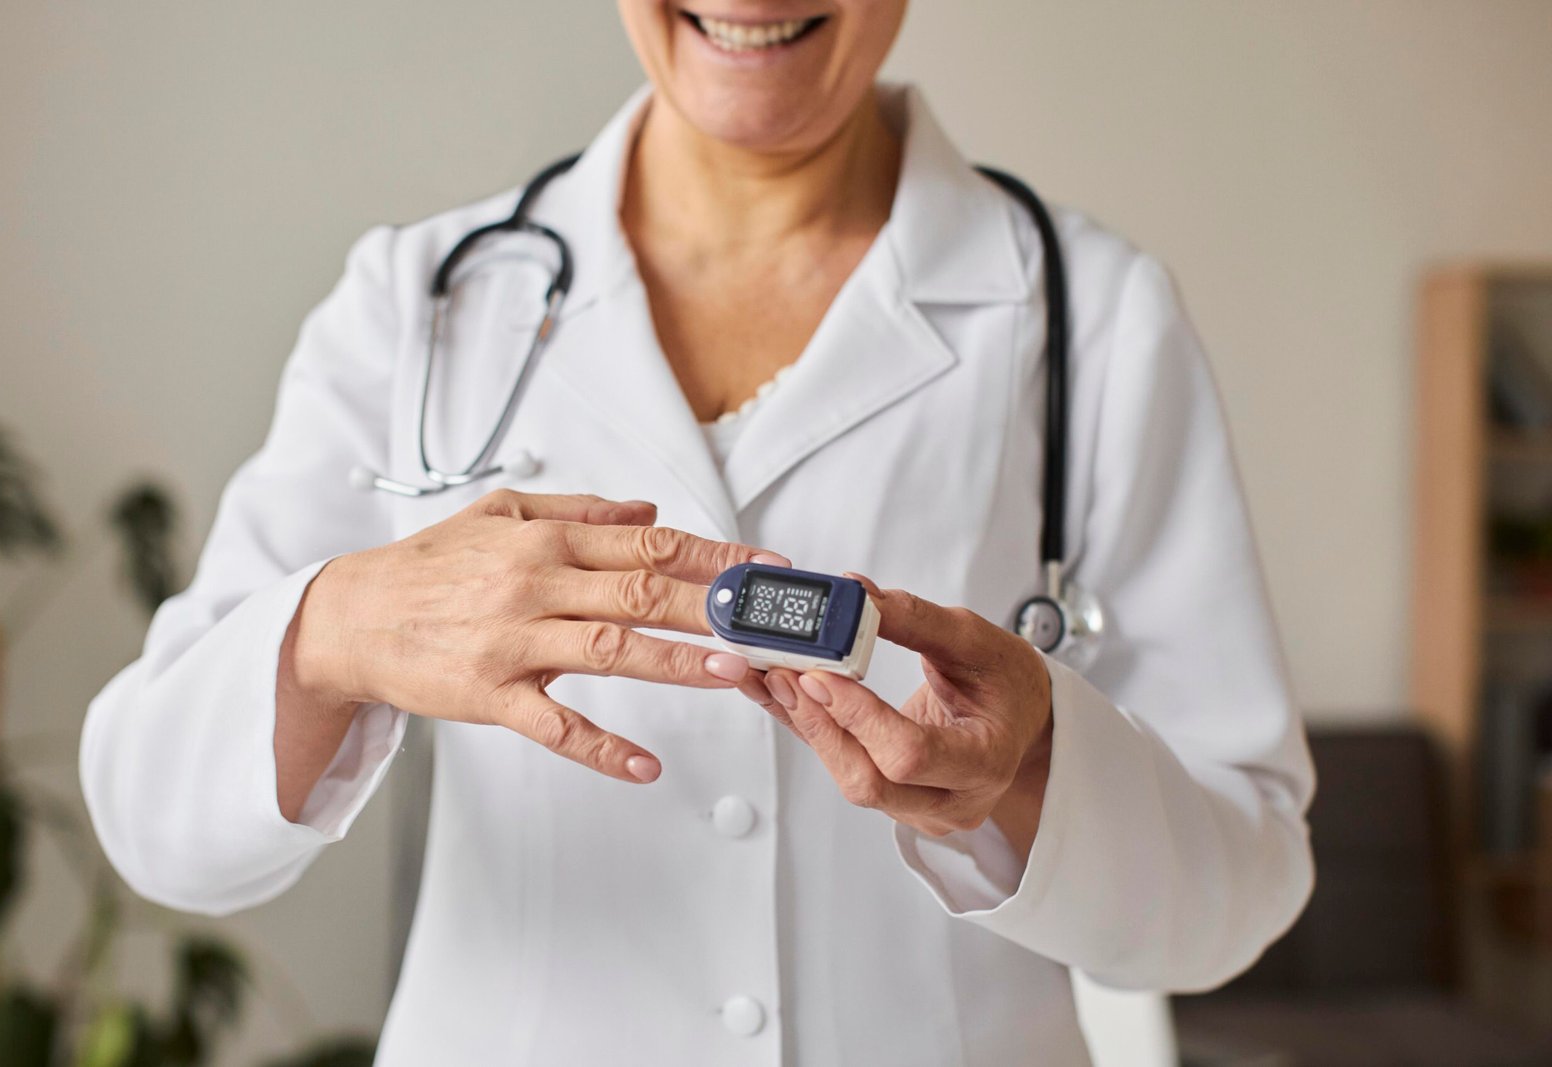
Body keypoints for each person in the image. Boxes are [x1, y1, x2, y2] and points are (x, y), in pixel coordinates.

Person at [81, 2, 1314, 1063]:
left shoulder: (1093, 315)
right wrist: (335, 628)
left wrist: (1035, 765)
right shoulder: (427, 303)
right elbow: (156, 824)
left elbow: (1236, 895)